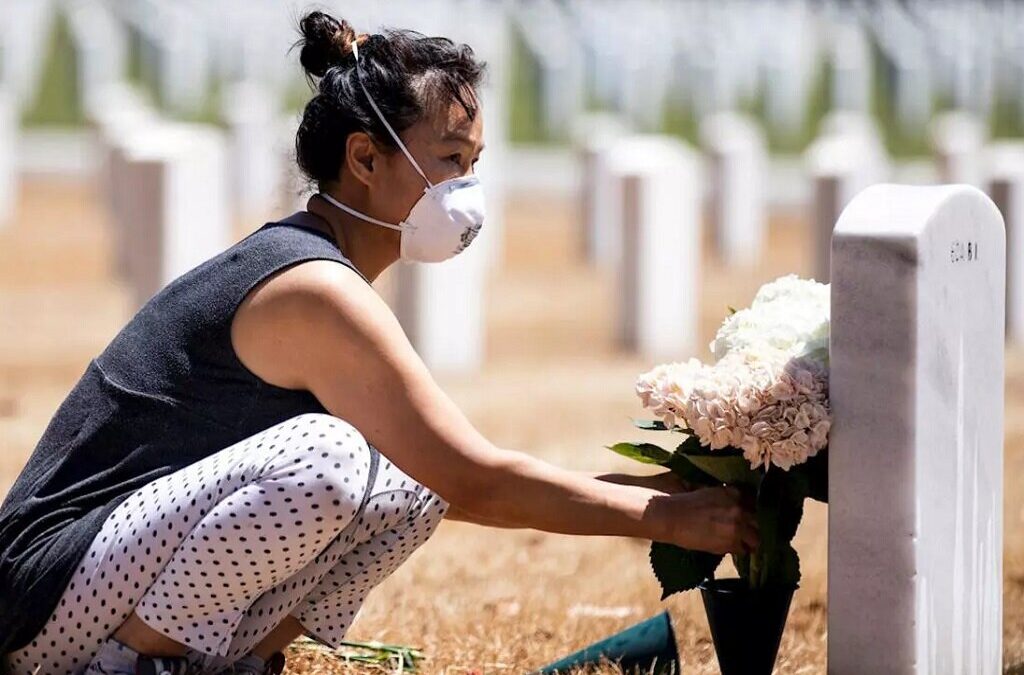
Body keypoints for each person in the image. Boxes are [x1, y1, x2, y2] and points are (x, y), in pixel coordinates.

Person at [0, 11, 758, 675]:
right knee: (330, 458)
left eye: (474, 165)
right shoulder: (313, 287)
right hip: (42, 594)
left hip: (102, 572)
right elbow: (478, 478)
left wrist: (644, 490)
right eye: (451, 160)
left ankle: (224, 659)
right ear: (365, 159)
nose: (467, 188)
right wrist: (662, 521)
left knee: (406, 482)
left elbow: (446, 474)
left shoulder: (322, 269)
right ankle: (132, 665)